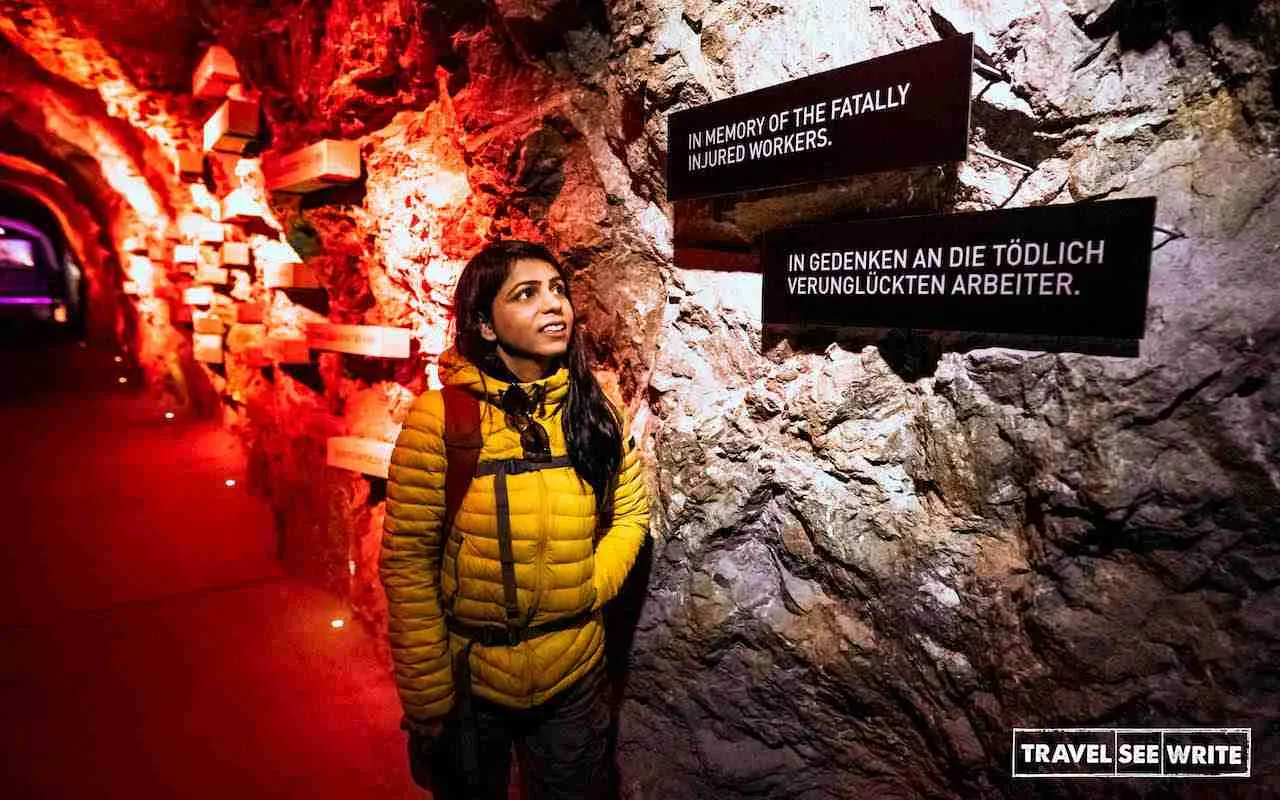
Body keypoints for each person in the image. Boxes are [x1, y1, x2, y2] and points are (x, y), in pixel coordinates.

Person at [380, 239, 650, 799]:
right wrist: (428, 696)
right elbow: (409, 560)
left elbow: (630, 515)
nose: (553, 306)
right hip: (472, 679)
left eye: (558, 290)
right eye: (525, 294)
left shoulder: (593, 409)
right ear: (483, 323)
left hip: (574, 674)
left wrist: (589, 585)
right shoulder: (442, 420)